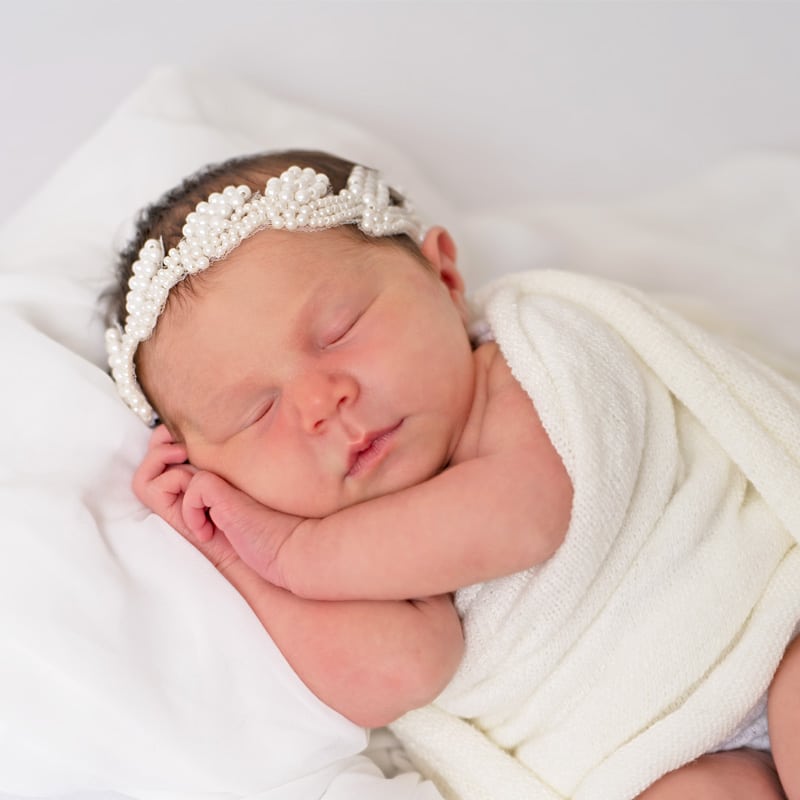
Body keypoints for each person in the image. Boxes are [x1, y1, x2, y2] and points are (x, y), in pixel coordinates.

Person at [104, 149, 800, 800]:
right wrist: (233, 549)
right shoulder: (332, 543)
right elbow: (398, 672)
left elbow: (520, 517)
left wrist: (291, 553)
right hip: (653, 759)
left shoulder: (528, 358)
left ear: (443, 277)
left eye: (340, 330)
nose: (322, 401)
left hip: (772, 631)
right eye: (257, 412)